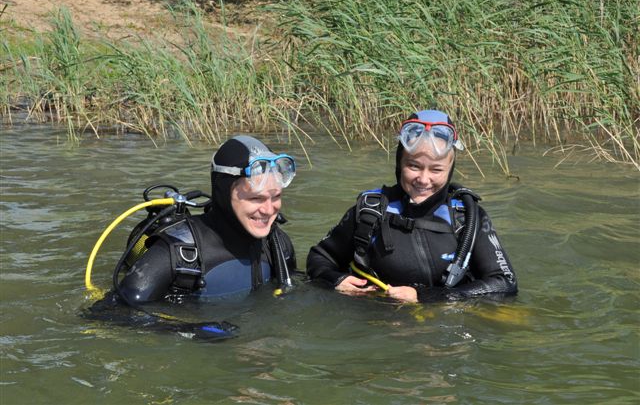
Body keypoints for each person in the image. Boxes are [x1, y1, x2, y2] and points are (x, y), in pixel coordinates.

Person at [306, 110, 517, 303]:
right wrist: (336, 280)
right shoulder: (370, 211)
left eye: (436, 170)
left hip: (446, 336)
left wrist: (426, 297)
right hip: (377, 328)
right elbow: (319, 259)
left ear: (450, 169)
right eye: (413, 166)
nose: (423, 179)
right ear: (399, 163)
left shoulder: (467, 216)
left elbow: (504, 283)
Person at [116, 135, 297, 304]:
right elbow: (113, 314)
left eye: (275, 197)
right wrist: (190, 329)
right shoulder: (175, 253)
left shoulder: (278, 246)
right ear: (222, 193)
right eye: (255, 199)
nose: (268, 210)